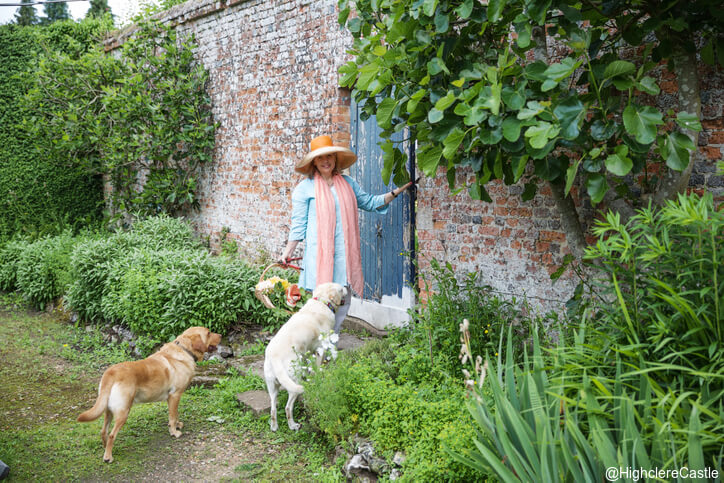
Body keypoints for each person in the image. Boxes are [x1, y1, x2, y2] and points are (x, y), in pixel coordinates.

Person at [280, 134, 413, 333]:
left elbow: (369, 202)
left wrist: (395, 192)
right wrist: (288, 251)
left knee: (343, 298)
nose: (326, 161)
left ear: (335, 159)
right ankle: (318, 340)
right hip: (320, 255)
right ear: (314, 162)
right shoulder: (304, 189)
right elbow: (299, 225)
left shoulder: (348, 183)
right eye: (320, 158)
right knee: (321, 302)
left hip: (344, 252)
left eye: (329, 157)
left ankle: (332, 339)